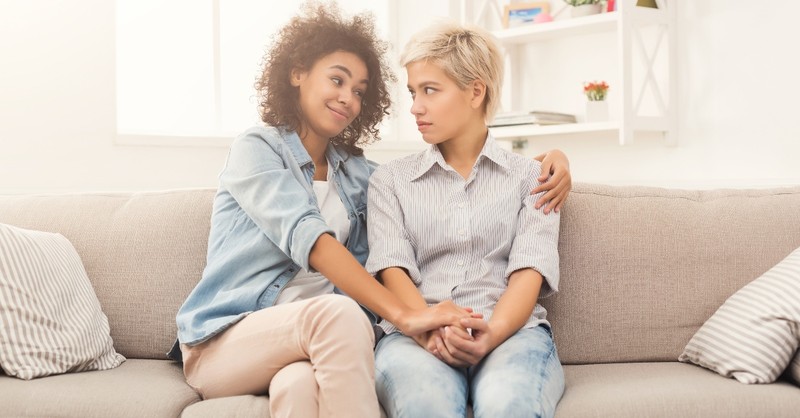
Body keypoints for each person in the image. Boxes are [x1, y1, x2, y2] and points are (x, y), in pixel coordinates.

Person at [169, 3, 571, 418]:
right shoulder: (257, 149)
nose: (348, 98)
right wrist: (409, 317)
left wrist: (551, 159)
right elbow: (311, 238)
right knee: (342, 315)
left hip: (304, 347)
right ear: (297, 73)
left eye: (359, 91)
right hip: (230, 336)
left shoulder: (361, 175)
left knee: (298, 389)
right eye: (337, 80)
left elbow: (449, 174)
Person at [367, 21, 565, 418]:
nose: (415, 107)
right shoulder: (389, 181)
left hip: (513, 334)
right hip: (415, 338)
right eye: (412, 91)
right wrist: (427, 330)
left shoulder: (532, 178)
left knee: (510, 405)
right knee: (427, 405)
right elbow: (393, 270)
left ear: (476, 91)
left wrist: (491, 334)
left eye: (430, 90)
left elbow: (529, 272)